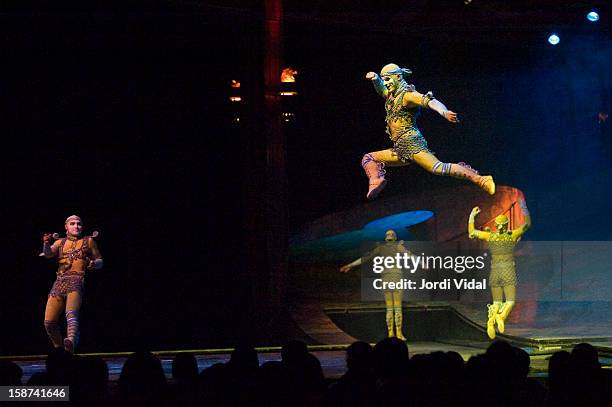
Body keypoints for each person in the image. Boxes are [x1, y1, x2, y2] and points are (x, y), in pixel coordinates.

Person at [362, 63, 495, 199]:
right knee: (369, 158)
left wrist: (443, 112)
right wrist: (376, 80)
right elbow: (382, 90)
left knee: (438, 168)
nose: (386, 83)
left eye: (388, 79)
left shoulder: (408, 95)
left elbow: (430, 101)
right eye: (384, 80)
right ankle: (376, 180)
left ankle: (482, 180)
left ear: (397, 77)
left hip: (411, 144)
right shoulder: (392, 97)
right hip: (400, 148)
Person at [468, 200, 531, 339]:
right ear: (506, 224)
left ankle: (491, 321)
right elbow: (527, 225)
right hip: (508, 269)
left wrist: (472, 216)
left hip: (495, 270)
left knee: (496, 301)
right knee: (510, 301)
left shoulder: (491, 236)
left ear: (496, 225)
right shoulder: (511, 235)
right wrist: (524, 208)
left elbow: (471, 232)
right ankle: (501, 317)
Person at [42, 215, 103, 352]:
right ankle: (59, 350)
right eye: (73, 224)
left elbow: (100, 260)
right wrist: (46, 243)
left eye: (79, 224)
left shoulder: (88, 241)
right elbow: (48, 254)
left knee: (71, 314)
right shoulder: (60, 243)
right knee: (49, 322)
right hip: (59, 282)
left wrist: (94, 264)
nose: (76, 226)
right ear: (66, 227)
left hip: (76, 281)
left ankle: (71, 342)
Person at [340, 230, 410, 340]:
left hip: (395, 277)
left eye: (391, 234)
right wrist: (350, 265)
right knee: (392, 308)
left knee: (396, 307)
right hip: (388, 277)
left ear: (394, 237)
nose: (389, 236)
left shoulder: (396, 247)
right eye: (388, 234)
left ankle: (398, 333)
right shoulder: (384, 248)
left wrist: (422, 263)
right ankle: (392, 333)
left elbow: (410, 255)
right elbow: (365, 257)